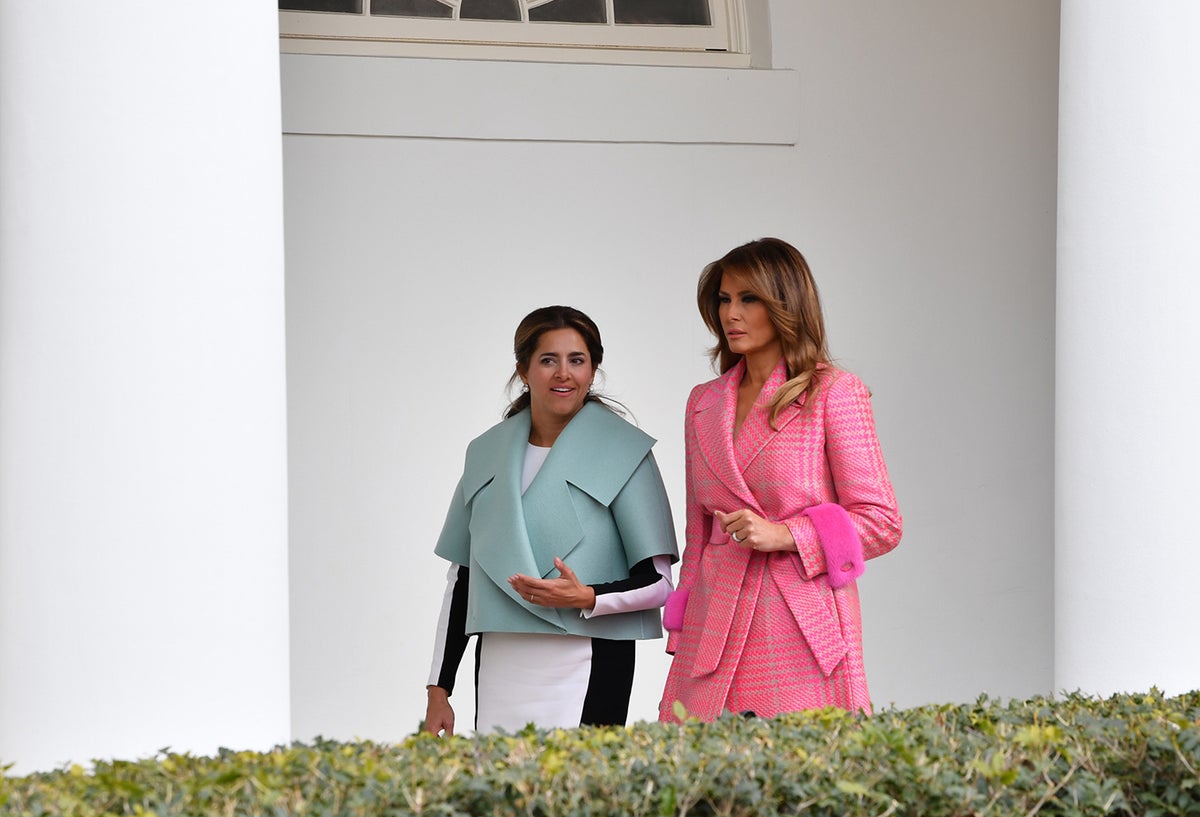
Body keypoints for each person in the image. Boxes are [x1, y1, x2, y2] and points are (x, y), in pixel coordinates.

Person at [659, 238, 901, 722]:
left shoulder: (833, 392)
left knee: (792, 760)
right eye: (724, 299)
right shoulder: (703, 402)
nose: (731, 314)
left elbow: (882, 523)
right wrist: (683, 629)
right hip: (714, 620)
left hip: (798, 623)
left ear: (785, 304)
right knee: (698, 760)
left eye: (749, 299)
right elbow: (698, 534)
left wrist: (787, 534)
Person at [424, 305, 679, 735]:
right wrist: (439, 687)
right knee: (500, 775)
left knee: (580, 778)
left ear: (593, 370)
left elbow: (659, 584)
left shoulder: (624, 452)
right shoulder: (486, 453)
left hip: (590, 654)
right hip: (502, 660)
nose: (564, 373)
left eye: (576, 360)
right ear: (523, 370)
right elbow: (463, 578)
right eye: (548, 360)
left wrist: (587, 597)